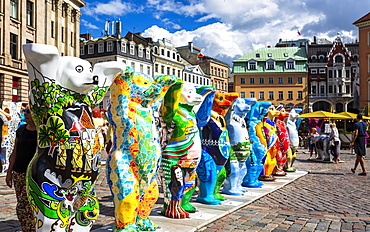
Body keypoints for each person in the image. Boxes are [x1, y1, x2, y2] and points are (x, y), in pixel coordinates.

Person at [5, 107, 37, 231]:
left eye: (28, 111)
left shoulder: (40, 132)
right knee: (21, 204)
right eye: (25, 111)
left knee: (27, 204)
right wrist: (9, 172)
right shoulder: (21, 130)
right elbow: (15, 152)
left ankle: (32, 228)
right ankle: (26, 228)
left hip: (32, 174)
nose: (25, 114)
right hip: (18, 173)